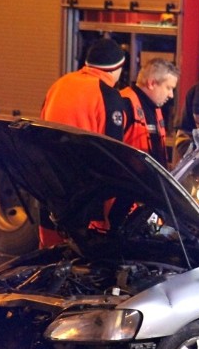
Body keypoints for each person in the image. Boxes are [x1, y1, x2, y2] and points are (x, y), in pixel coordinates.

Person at [39, 38, 131, 247]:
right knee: (79, 261)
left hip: (48, 185)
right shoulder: (108, 95)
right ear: (116, 68)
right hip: (82, 193)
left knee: (48, 254)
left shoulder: (60, 84)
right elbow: (112, 154)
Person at [120, 58, 179, 167]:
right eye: (168, 88)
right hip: (127, 180)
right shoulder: (124, 103)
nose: (171, 95)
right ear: (151, 83)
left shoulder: (154, 107)